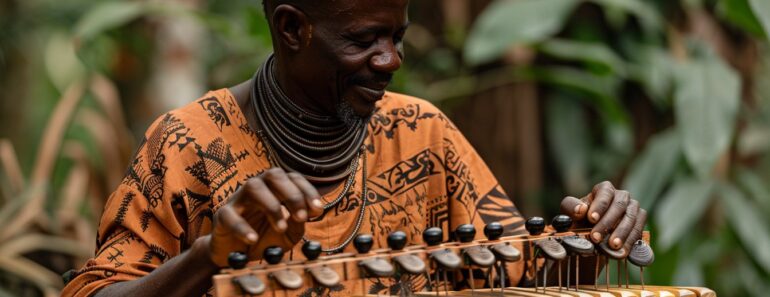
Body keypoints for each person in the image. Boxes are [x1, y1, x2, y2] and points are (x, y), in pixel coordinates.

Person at [61, 0, 647, 296]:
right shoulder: (189, 144)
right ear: (292, 29)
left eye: (397, 36)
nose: (391, 61)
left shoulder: (424, 132)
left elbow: (517, 277)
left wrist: (592, 239)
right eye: (364, 40)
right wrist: (209, 256)